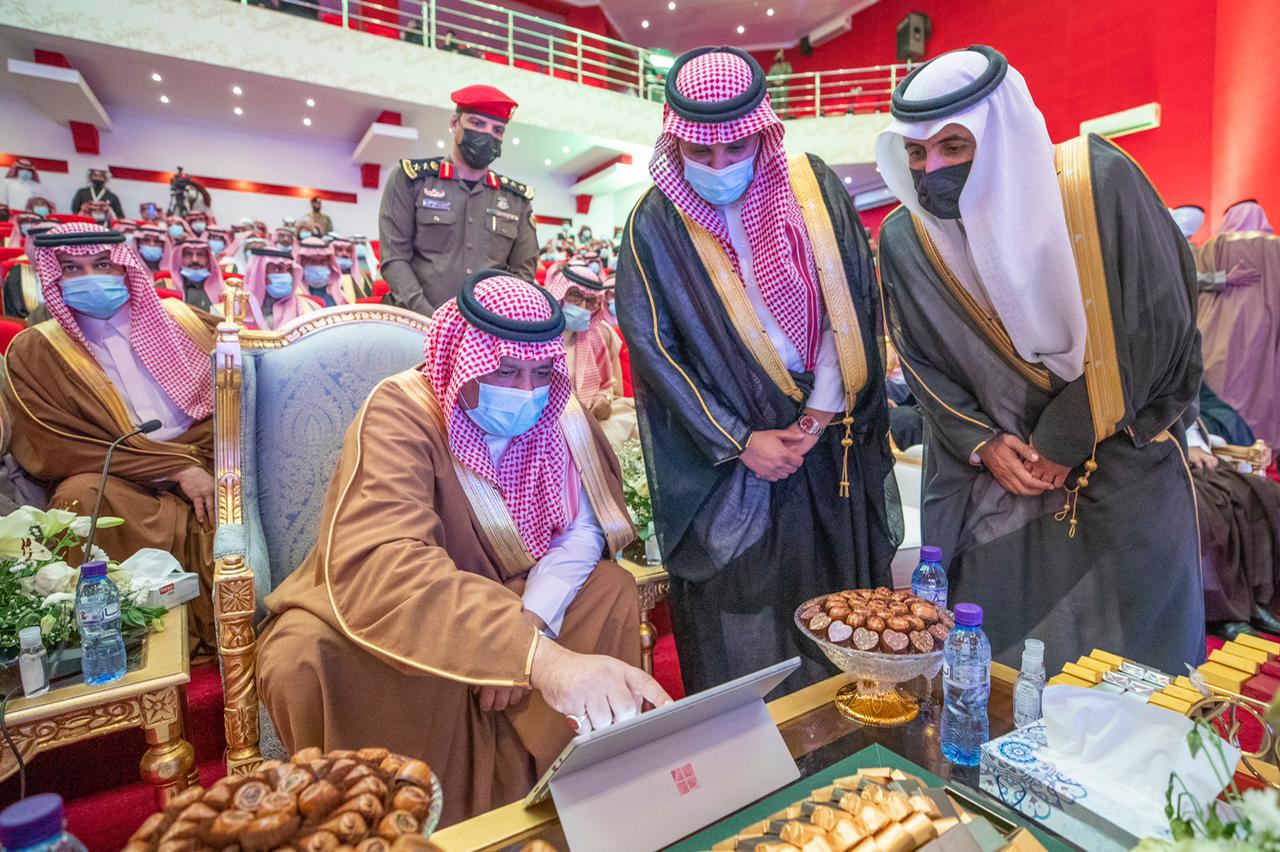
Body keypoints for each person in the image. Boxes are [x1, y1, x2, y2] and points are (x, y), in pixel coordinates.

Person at [257, 271, 669, 825]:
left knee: (609, 588)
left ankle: (569, 804)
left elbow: (580, 532)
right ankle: (403, 822)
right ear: (466, 358)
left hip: (519, 596)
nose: (526, 391)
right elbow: (388, 561)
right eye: (505, 370)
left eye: (540, 372)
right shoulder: (402, 412)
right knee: (304, 655)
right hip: (409, 597)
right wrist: (528, 657)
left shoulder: (559, 411)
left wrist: (530, 628)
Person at [875, 45, 1203, 674]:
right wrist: (981, 442)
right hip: (992, 484)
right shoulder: (905, 238)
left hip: (1117, 468)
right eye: (916, 154)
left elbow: (1158, 325)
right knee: (994, 672)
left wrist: (1062, 438)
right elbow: (919, 359)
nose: (932, 169)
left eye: (953, 147)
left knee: (1128, 675)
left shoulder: (1097, 185)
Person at [617, 46, 900, 695]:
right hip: (730, 461)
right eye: (701, 151)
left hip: (826, 442)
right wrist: (742, 441)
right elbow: (655, 349)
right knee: (745, 613)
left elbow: (850, 305)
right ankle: (753, 740)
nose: (719, 165)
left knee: (839, 602)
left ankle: (842, 727)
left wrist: (817, 414)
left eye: (736, 147)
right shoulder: (652, 224)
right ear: (675, 141)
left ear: (762, 134)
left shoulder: (812, 189)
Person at [4, 222, 219, 650]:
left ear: (124, 267)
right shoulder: (35, 351)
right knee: (80, 501)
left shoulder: (185, 321)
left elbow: (246, 384)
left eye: (102, 264)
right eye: (72, 268)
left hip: (211, 455)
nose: (90, 278)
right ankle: (119, 644)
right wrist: (174, 469)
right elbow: (54, 445)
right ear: (54, 276)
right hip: (122, 477)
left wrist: (205, 464)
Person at [378, 85, 538, 317]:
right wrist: (431, 319)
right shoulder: (411, 179)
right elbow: (395, 258)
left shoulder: (516, 200)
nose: (488, 135)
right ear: (455, 123)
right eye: (477, 123)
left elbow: (523, 274)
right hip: (419, 321)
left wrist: (498, 321)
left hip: (486, 328)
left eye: (498, 130)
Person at [1195, 200, 1280, 448]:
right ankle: (1261, 449)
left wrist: (1223, 279)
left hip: (1215, 331)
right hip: (1265, 332)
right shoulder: (1275, 247)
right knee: (1262, 388)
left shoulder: (1212, 246)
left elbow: (1191, 280)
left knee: (1218, 386)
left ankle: (1223, 443)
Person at [545, 264, 637, 448]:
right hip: (547, 423)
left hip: (588, 419)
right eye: (575, 296)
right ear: (560, 294)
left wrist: (604, 399)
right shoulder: (535, 337)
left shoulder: (597, 337)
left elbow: (606, 387)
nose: (582, 307)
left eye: (589, 301)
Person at [240, 245, 319, 330]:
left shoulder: (307, 307)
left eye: (289, 270)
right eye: (278, 269)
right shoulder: (236, 308)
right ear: (259, 273)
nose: (286, 275)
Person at [3, 218, 58, 321]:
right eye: (40, 243)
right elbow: (15, 316)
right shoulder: (17, 275)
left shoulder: (74, 275)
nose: (46, 249)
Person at [167, 240, 224, 312]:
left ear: (209, 260)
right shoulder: (165, 286)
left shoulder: (224, 292)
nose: (194, 260)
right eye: (188, 254)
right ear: (179, 259)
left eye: (200, 255)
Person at [296, 237, 347, 308]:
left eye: (322, 262)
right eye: (311, 261)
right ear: (301, 263)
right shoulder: (294, 294)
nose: (317, 266)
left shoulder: (343, 290)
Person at [766, 49, 793, 118]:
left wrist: (782, 80)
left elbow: (789, 73)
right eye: (778, 55)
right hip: (775, 88)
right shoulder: (773, 67)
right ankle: (775, 118)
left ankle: (785, 118)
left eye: (781, 55)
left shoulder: (787, 65)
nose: (779, 57)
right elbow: (769, 76)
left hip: (783, 87)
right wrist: (774, 81)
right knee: (775, 104)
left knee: (784, 103)